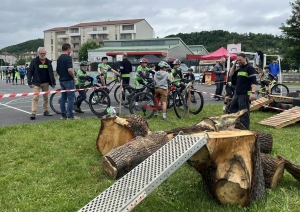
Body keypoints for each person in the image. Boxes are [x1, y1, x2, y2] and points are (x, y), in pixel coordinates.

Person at [229, 53, 257, 130]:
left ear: (245, 58)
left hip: (244, 95)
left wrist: (253, 93)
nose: (239, 62)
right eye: (237, 60)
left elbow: (254, 82)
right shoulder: (240, 68)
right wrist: (234, 64)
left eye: (240, 60)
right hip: (237, 94)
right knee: (232, 110)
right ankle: (235, 126)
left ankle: (245, 129)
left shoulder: (250, 68)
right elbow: (231, 74)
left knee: (244, 113)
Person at [28, 47, 56, 120]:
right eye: (41, 53)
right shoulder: (34, 61)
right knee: (35, 97)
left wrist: (53, 82)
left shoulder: (48, 62)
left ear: (45, 53)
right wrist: (29, 82)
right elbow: (30, 71)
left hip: (45, 83)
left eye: (44, 53)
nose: (42, 54)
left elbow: (51, 73)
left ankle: (46, 111)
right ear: (38, 53)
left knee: (45, 97)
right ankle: (33, 112)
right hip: (36, 83)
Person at [56, 43, 79, 120]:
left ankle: (63, 115)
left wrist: (62, 75)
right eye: (71, 48)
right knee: (70, 98)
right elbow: (70, 69)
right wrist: (74, 77)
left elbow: (57, 70)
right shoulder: (68, 58)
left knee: (63, 98)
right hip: (68, 80)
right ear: (68, 49)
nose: (71, 50)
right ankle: (70, 115)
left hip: (62, 80)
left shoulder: (59, 58)